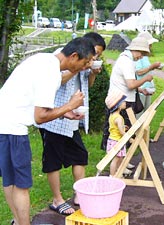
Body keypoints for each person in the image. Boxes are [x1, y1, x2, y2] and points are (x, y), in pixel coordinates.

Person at [0, 37, 95, 225]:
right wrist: (70, 105)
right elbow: (40, 117)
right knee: (21, 185)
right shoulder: (51, 73)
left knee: (10, 181)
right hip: (13, 130)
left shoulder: (42, 59)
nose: (85, 68)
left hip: (3, 124)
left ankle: (18, 222)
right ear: (74, 56)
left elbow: (33, 104)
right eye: (84, 63)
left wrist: (64, 114)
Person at [38, 32, 106, 215]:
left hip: (72, 117)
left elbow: (87, 85)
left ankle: (79, 194)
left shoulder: (85, 61)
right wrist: (78, 67)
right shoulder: (62, 57)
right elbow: (57, 81)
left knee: (80, 155)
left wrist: (91, 72)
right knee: (52, 160)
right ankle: (57, 199)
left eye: (98, 55)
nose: (95, 58)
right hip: (53, 117)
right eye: (95, 54)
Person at [101, 37, 153, 164]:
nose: (141, 57)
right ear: (137, 50)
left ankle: (122, 161)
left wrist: (140, 90)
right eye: (142, 54)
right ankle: (118, 163)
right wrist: (146, 79)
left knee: (124, 132)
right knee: (121, 133)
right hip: (120, 102)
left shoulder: (126, 60)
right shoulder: (127, 61)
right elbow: (130, 84)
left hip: (123, 100)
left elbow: (127, 84)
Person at [135, 31, 162, 118]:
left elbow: (146, 68)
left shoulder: (145, 56)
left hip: (147, 87)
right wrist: (151, 67)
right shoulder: (138, 56)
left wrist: (154, 67)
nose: (151, 47)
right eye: (149, 44)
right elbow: (138, 71)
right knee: (139, 114)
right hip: (141, 88)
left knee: (147, 114)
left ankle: (144, 131)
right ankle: (138, 131)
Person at [105, 90, 128, 176]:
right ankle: (112, 175)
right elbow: (121, 132)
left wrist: (123, 126)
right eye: (123, 101)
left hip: (112, 140)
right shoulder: (119, 118)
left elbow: (115, 127)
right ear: (118, 105)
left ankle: (118, 173)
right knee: (116, 159)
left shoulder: (112, 116)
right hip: (117, 141)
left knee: (118, 158)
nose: (125, 102)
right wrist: (129, 137)